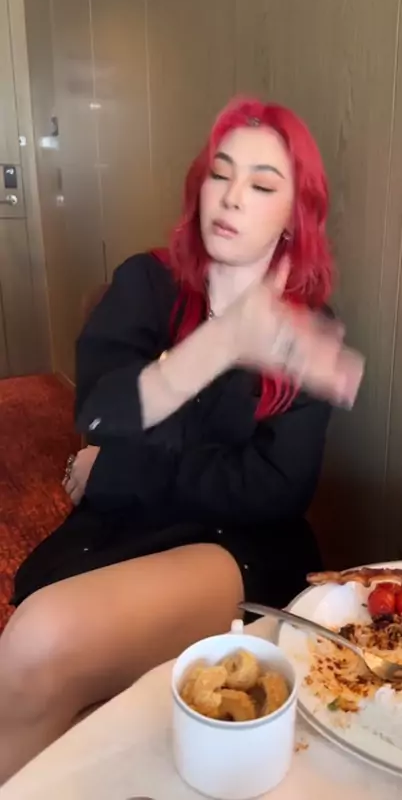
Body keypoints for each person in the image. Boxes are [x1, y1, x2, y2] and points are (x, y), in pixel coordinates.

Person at [0, 96, 363, 782]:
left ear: (295, 216)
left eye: (262, 186)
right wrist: (220, 343)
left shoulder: (306, 328)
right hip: (126, 526)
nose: (232, 197)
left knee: (41, 639)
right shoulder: (147, 283)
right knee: (40, 663)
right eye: (220, 174)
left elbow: (275, 490)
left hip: (238, 545)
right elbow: (100, 414)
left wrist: (117, 469)